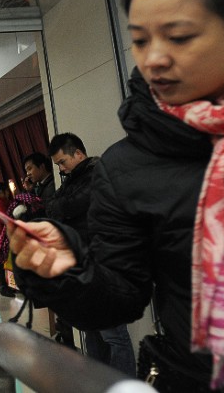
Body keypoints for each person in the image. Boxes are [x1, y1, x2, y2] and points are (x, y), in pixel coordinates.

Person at [10, 0, 224, 390]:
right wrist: (65, 271)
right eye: (140, 40)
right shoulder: (129, 166)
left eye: (178, 36)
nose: (154, 59)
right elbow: (119, 293)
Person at [47, 132, 136, 377]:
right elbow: (54, 206)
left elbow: (68, 205)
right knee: (93, 330)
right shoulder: (74, 178)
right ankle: (99, 382)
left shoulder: (99, 173)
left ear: (78, 153)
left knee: (114, 335)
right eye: (58, 166)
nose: (61, 169)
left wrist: (61, 207)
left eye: (63, 162)